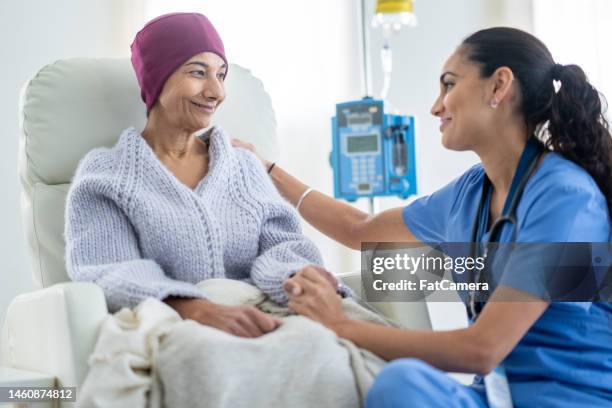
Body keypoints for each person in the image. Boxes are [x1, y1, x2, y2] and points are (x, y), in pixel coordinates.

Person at [233, 27, 612, 406]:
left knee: (400, 379)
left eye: (449, 84)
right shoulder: (471, 193)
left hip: (570, 399)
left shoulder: (566, 199)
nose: (436, 106)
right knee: (403, 384)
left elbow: (484, 349)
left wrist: (339, 324)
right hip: (492, 397)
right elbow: (359, 229)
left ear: (499, 86)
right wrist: (267, 170)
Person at [64, 12, 343, 339]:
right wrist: (194, 308)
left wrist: (298, 277)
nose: (216, 92)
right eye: (198, 73)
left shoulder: (242, 165)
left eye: (221, 75)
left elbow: (283, 245)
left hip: (271, 312)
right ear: (157, 79)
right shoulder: (107, 174)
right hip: (177, 326)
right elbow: (109, 267)